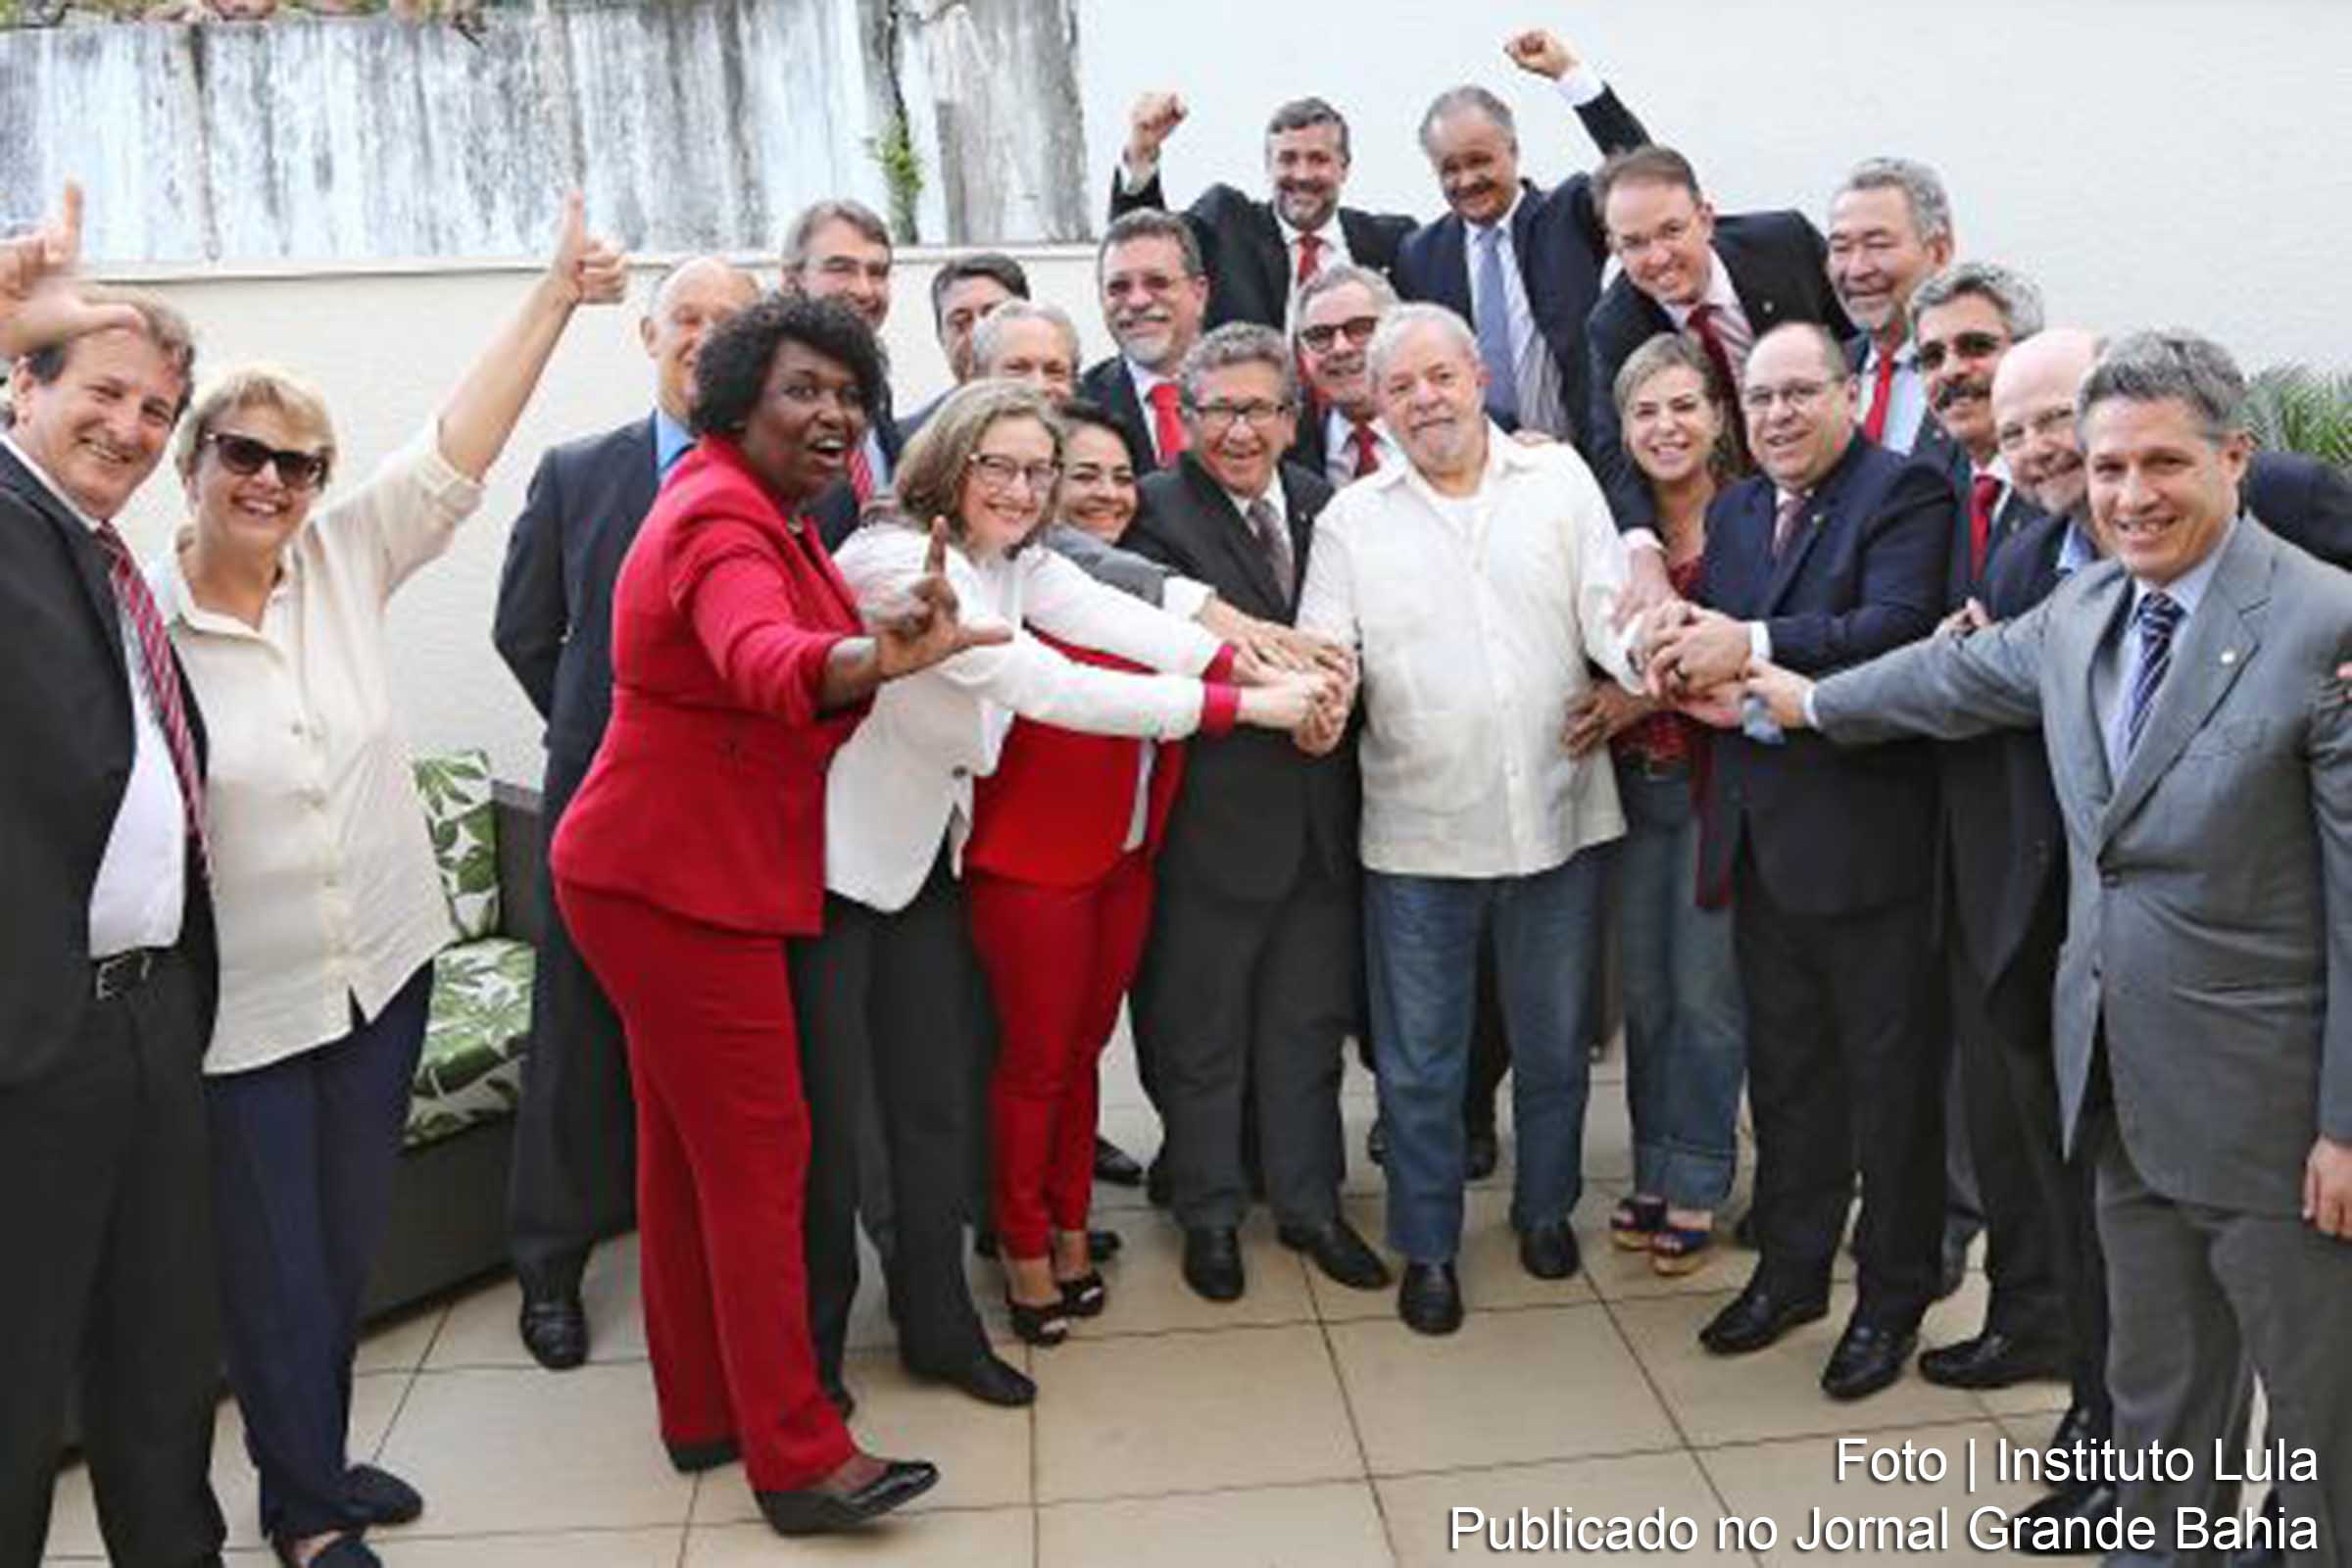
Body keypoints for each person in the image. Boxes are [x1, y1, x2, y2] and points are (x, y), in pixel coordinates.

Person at [1749, 329, 2352, 1564]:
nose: (2131, 495)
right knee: (2158, 1401)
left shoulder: (2324, 629)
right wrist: (1797, 695)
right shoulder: (2080, 608)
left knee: (2321, 1431)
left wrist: (2347, 1126)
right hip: (2120, 1090)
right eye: (2109, 465)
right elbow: (1950, 677)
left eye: (2165, 463)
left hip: (2279, 1122)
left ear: (2236, 457)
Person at [151, 196, 625, 1568]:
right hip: (242, 1016)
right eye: (244, 454)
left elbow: (457, 444)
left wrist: (554, 296)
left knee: (345, 1255)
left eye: (299, 464)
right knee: (275, 1271)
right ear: (193, 463)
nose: (272, 483)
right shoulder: (139, 619)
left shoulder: (342, 559)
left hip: (384, 978)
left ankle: (318, 1459)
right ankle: (304, 1514)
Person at [802, 380, 1329, 1379]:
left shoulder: (1015, 555)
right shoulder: (895, 559)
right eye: (998, 465)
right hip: (840, 862)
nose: (1021, 488)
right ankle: (838, 1344)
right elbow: (1051, 687)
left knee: (978, 1084)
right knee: (853, 1117)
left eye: (1037, 471)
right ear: (949, 460)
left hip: (926, 854)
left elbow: (1119, 622)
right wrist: (1247, 707)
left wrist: (1245, 664)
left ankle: (987, 1276)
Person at [550, 294, 966, 1537]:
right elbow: (761, 656)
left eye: (848, 393)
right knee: (759, 1160)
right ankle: (797, 1455)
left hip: (657, 870)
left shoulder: (756, 505)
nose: (833, 413)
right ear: (735, 400)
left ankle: (704, 1411)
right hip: (675, 883)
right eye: (802, 388)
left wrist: (869, 648)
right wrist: (872, 659)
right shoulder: (721, 517)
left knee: (687, 1157)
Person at [1296, 304, 1637, 1332]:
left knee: (1553, 1045)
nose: (1425, 400)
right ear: (1376, 406)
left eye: (1440, 377)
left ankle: (1546, 1211)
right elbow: (1327, 651)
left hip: (1558, 816)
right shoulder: (1350, 520)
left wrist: (1645, 674)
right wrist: (1311, 703)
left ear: (1479, 376)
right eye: (1400, 387)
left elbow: (1609, 611)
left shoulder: (1559, 480)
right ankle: (1430, 1245)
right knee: (1421, 1064)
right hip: (1419, 834)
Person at [1641, 321, 1950, 1400]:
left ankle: (1892, 1299)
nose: (1777, 414)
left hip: (1868, 853)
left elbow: (1894, 628)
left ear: (1848, 393)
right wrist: (1681, 652)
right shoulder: (1734, 510)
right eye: (1761, 396)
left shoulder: (1904, 494)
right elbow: (1728, 641)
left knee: (1891, 1095)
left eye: (1799, 392)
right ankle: (1791, 1273)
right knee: (1787, 1079)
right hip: (1760, 842)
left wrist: (1750, 647)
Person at [2, 200, 223, 1566]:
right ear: (21, 385)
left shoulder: (106, 556)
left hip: (149, 1020)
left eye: (157, 410)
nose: (131, 428)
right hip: (29, 1043)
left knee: (160, 1366)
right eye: (103, 391)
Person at [494, 255, 761, 1371]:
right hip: (601, 810)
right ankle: (549, 1270)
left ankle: (714, 1268)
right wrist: (599, 737)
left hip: (738, 821)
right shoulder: (578, 473)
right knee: (575, 1039)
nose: (703, 336)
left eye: (729, 321)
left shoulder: (790, 479)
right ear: (648, 335)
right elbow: (525, 631)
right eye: (684, 317)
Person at [1126, 323, 1389, 1303]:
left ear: (1293, 416)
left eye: (1261, 409)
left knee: (1305, 1028)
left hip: (1323, 823)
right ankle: (1210, 1213)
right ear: (1185, 417)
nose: (1240, 430)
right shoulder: (1151, 513)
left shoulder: (1332, 507)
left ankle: (1311, 1205)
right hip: (1212, 823)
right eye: (1219, 410)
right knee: (1203, 1034)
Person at [1560, 333, 1745, 1277]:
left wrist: (1638, 696)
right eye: (1645, 412)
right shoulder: (1607, 527)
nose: (1666, 427)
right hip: (1634, 791)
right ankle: (1653, 1167)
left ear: (1717, 417)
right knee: (1648, 995)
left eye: (1683, 406)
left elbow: (1758, 651)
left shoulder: (1753, 516)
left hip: (1722, 794)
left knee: (1708, 996)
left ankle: (1699, 1177)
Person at [1586, 145, 1855, 610]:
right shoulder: (1614, 326)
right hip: (1732, 511)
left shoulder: (1785, 245)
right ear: (1614, 248)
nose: (1658, 257)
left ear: (1706, 219)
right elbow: (1612, 446)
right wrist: (1644, 552)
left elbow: (1857, 342)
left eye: (1672, 231)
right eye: (1635, 243)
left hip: (1833, 469)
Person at [1392, 26, 1649, 444]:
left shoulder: (1568, 213)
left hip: (1587, 454)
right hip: (1485, 464)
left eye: (1480, 161)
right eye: (1450, 169)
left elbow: (1643, 169)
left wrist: (1567, 73)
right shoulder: (1421, 255)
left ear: (1512, 151)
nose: (1467, 180)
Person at [1108, 91, 1411, 330]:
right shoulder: (1226, 224)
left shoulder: (1392, 243)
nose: (1302, 175)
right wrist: (1142, 151)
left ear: (1344, 168)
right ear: (1268, 166)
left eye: (1318, 159)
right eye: (1288, 159)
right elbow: (1142, 245)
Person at [780, 199, 904, 545]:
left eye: (877, 272)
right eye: (842, 269)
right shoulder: (761, 393)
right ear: (792, 281)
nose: (864, 290)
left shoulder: (876, 389)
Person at [1824, 159, 1954, 457]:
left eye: (1878, 245)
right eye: (1841, 248)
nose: (1857, 269)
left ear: (1939, 252)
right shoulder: (1826, 373)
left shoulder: (1984, 374)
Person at [1079, 210, 1213, 474]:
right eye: (1119, 287)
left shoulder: (1255, 390)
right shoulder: (1082, 406)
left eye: (1157, 282)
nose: (1137, 301)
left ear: (1199, 294)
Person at [899, 252, 1030, 442]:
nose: (977, 333)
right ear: (941, 338)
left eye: (994, 316)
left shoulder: (1068, 418)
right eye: (961, 322)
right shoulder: (909, 439)